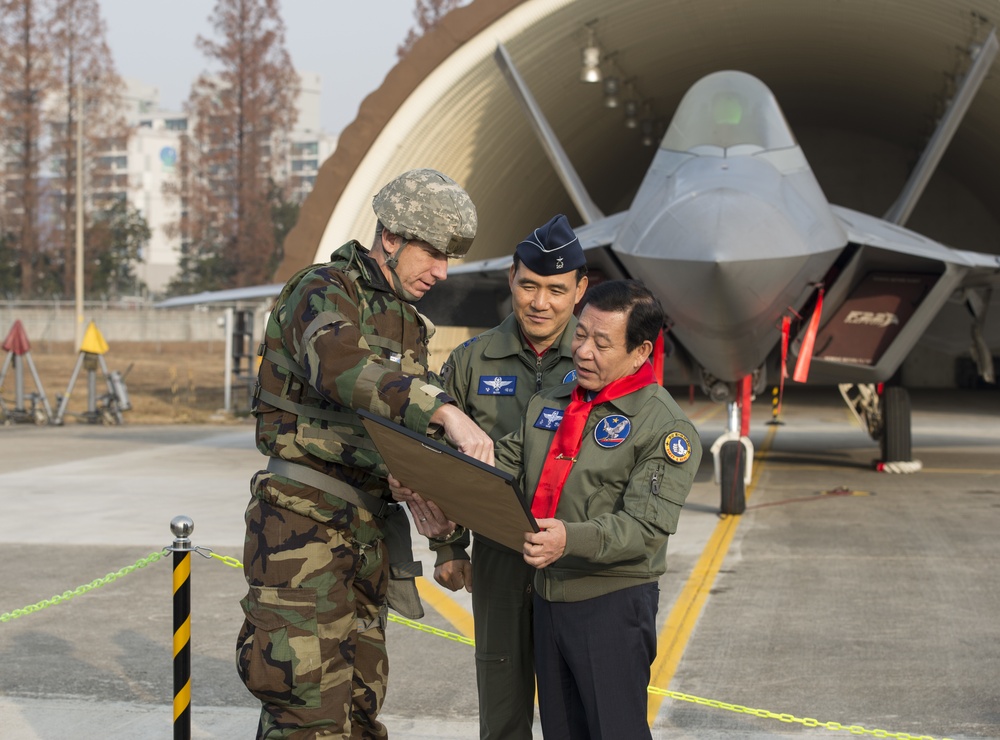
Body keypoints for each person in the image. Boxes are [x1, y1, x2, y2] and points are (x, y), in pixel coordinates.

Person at [236, 168, 494, 740]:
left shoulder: (403, 320)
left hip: (367, 535)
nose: (443, 272)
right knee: (305, 713)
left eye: (449, 257)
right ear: (392, 237)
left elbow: (410, 441)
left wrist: (448, 542)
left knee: (358, 709)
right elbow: (343, 369)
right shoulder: (321, 290)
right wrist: (444, 410)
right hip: (302, 528)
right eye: (433, 253)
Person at [500, 279, 703, 740]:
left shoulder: (665, 428)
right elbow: (506, 463)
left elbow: (644, 528)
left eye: (602, 342)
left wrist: (569, 539)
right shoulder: (555, 400)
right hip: (548, 601)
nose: (583, 351)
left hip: (609, 606)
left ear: (640, 352)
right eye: (580, 335)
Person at [432, 213, 589, 739]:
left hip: (575, 558)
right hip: (499, 557)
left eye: (556, 289)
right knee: (502, 707)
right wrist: (451, 547)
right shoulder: (470, 362)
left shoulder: (599, 363)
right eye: (529, 285)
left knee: (580, 705)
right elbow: (441, 465)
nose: (540, 302)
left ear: (580, 289)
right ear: (511, 280)